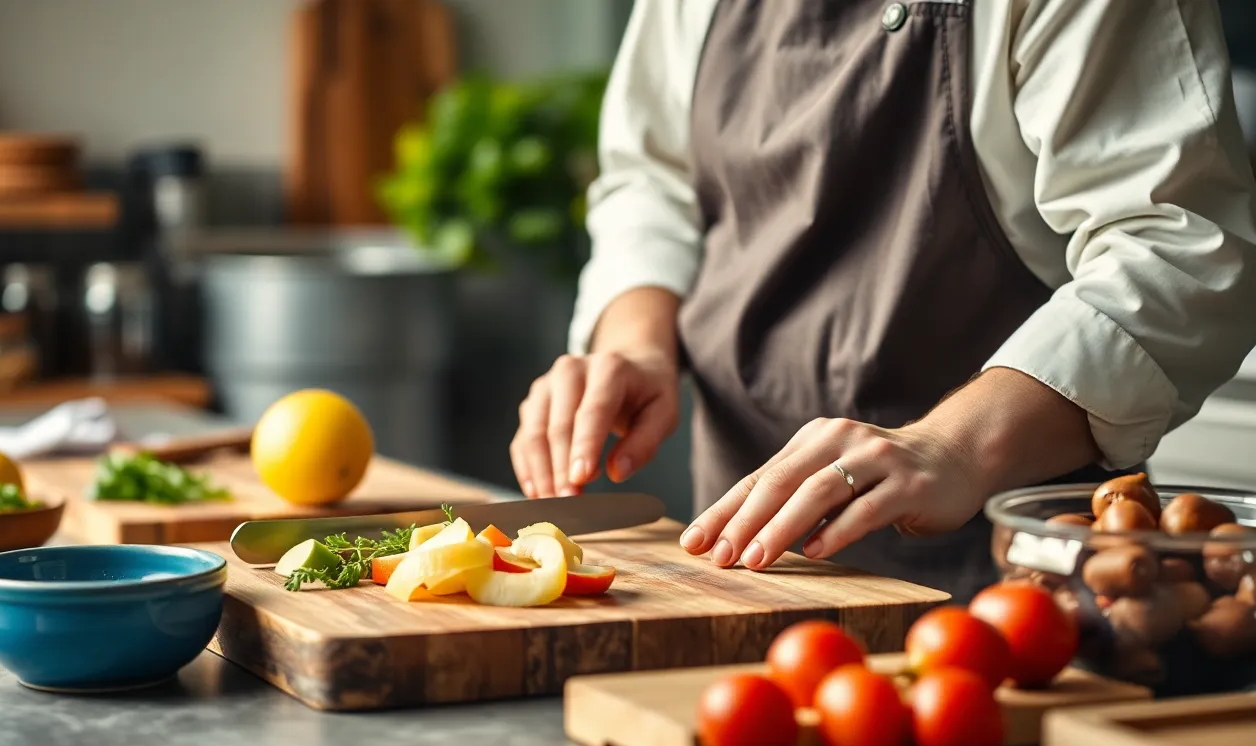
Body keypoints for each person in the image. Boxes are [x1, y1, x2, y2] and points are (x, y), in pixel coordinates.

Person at [509, 0, 1256, 602]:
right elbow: (653, 180)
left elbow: (1178, 246)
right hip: (739, 577)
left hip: (1010, 593)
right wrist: (635, 340)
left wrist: (950, 447)